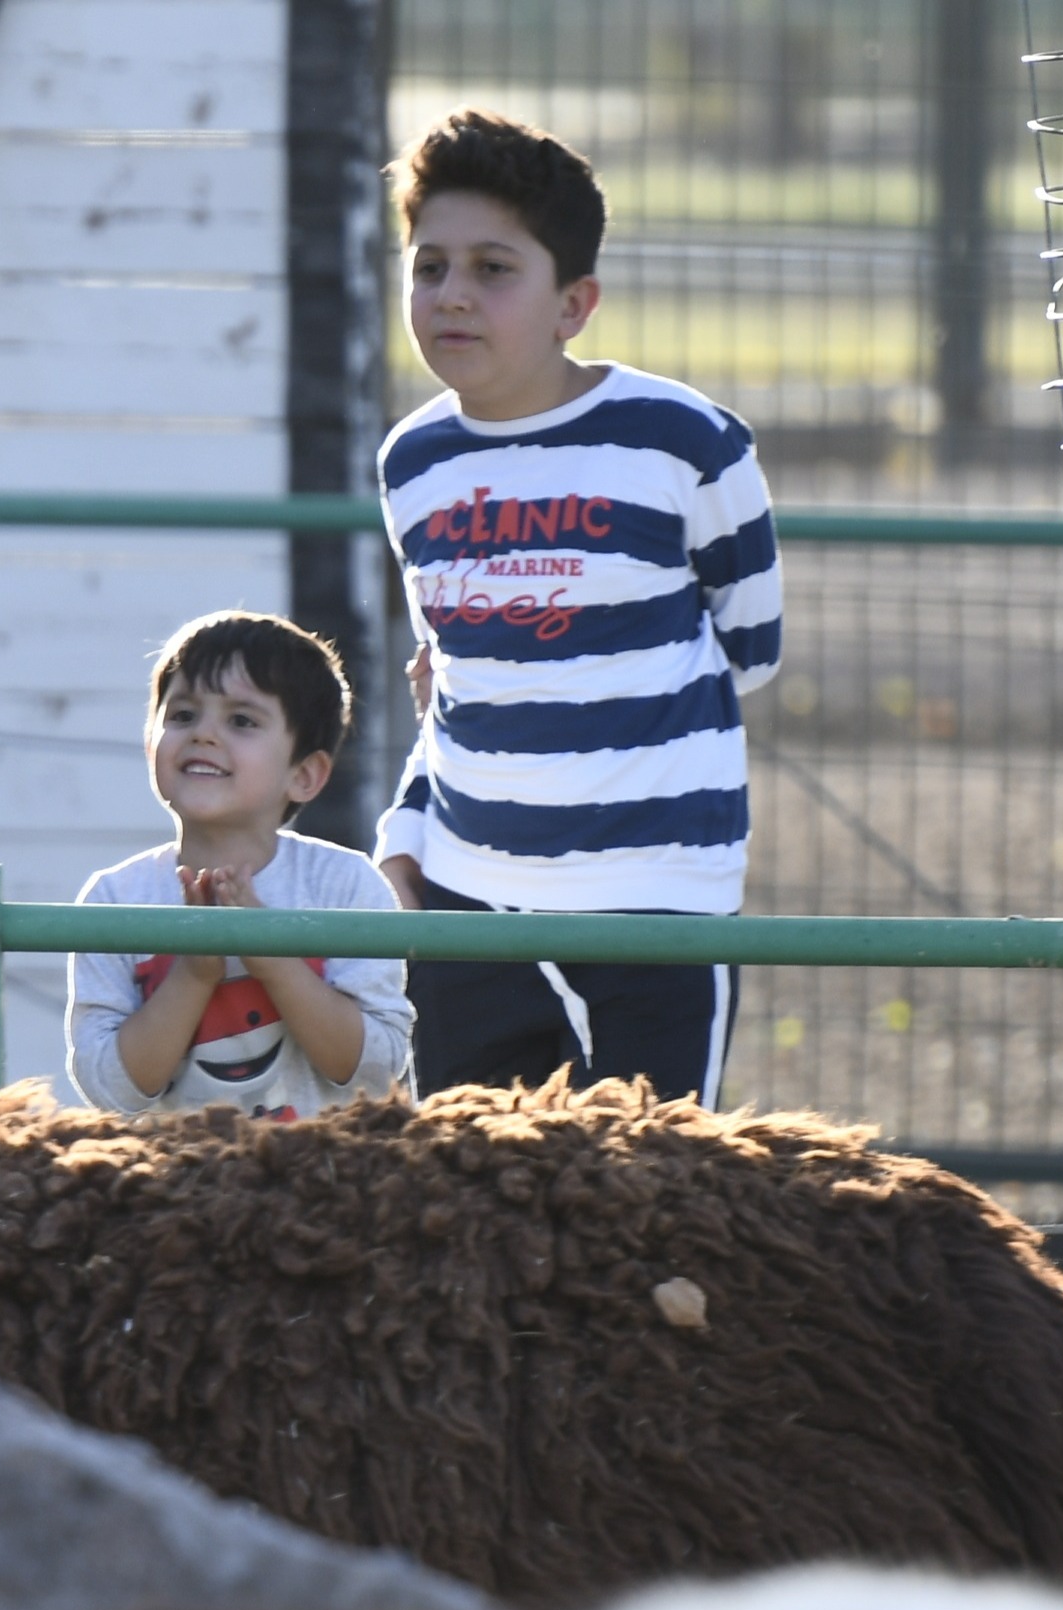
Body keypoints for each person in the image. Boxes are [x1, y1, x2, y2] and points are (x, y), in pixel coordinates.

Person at [368, 109, 785, 1107]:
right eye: (430, 267)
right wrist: (406, 840)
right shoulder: (411, 463)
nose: (452, 294)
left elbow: (748, 646)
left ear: (574, 302)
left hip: (652, 904)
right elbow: (452, 680)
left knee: (647, 1184)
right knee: (469, 1185)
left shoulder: (686, 442)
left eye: (493, 269)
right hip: (467, 902)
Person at [68, 612, 411, 1118]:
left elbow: (375, 1072)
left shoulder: (346, 886)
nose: (204, 734)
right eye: (183, 715)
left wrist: (268, 954)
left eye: (242, 721)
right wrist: (194, 972)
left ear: (305, 775)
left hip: (327, 1166)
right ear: (150, 742)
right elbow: (110, 1089)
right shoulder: (114, 899)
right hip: (173, 1169)